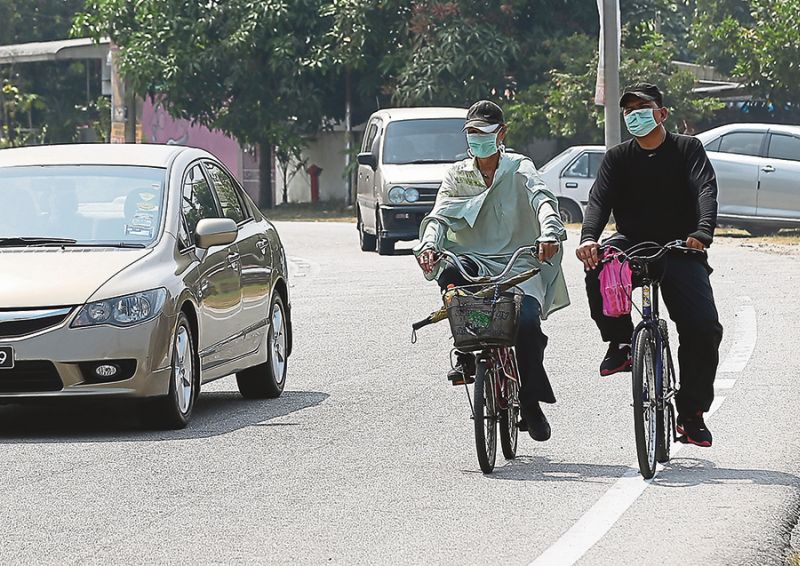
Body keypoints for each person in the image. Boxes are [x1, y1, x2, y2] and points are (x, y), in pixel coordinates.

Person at [576, 83, 723, 447]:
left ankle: (690, 415)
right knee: (600, 264)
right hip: (633, 242)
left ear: (662, 113)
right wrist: (588, 238)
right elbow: (598, 201)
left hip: (680, 246)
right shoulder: (617, 157)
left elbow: (705, 188)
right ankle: (621, 342)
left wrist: (702, 233)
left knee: (704, 329)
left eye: (643, 107)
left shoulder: (688, 149)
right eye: (629, 110)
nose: (635, 115)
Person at [414, 100, 569, 441]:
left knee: (526, 325)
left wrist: (549, 233)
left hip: (520, 262)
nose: (477, 140)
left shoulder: (519, 167)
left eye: (484, 133)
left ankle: (530, 400)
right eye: (471, 133)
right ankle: (466, 353)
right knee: (451, 276)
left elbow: (542, 197)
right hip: (473, 261)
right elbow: (439, 216)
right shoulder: (457, 175)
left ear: (502, 134)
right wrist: (428, 246)